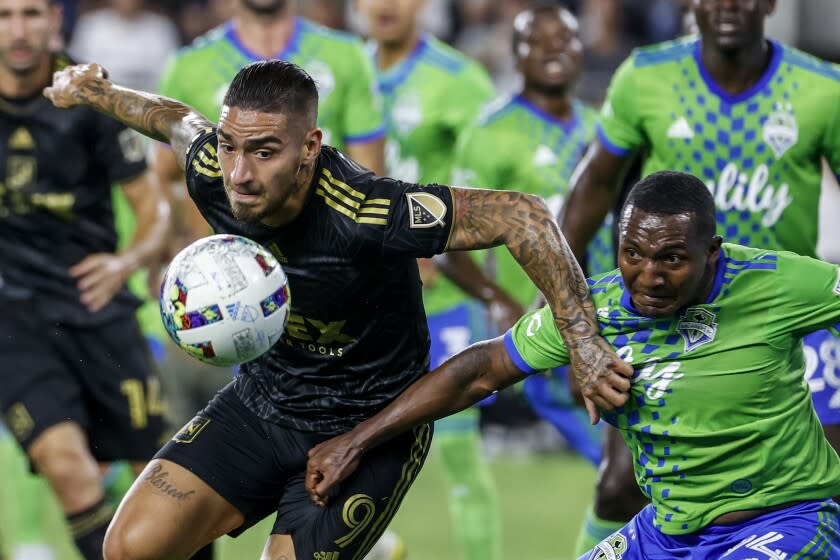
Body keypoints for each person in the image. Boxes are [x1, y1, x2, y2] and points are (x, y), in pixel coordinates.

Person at [44, 59, 631, 560]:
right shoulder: (214, 171)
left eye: (264, 152)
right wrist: (94, 89)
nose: (240, 174)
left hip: (370, 425)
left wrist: (582, 341)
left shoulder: (369, 212)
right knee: (129, 548)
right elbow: (174, 118)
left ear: (310, 148)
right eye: (230, 146)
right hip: (263, 403)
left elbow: (524, 216)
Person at [306, 170, 840, 559]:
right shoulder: (594, 311)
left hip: (787, 522)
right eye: (633, 253)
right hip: (668, 534)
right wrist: (357, 438)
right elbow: (481, 370)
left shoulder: (777, 283)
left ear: (713, 251)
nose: (649, 275)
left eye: (672, 259)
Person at [557, 0, 840, 552]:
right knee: (618, 489)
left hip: (787, 315)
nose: (728, 4)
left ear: (770, 4)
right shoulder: (647, 77)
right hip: (668, 319)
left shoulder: (824, 89)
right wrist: (575, 327)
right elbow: (590, 191)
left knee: (818, 484)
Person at [0, 1, 169, 559]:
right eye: (4, 15)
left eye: (31, 14)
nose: (19, 30)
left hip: (96, 305)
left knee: (164, 485)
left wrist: (126, 262)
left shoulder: (90, 96)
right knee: (68, 471)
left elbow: (153, 210)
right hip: (15, 320)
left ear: (56, 20)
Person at [355, 1, 507, 558]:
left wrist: (439, 248)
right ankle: (375, 547)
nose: (385, 5)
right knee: (335, 438)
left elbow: (485, 182)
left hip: (438, 297)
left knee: (459, 451)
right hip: (358, 295)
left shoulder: (457, 80)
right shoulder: (344, 71)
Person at [452, 1, 614, 468]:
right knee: (622, 470)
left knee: (626, 473)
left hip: (611, 316)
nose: (553, 50)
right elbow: (450, 245)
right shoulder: (490, 132)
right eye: (537, 41)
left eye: (564, 38)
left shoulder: (599, 128)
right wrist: (497, 298)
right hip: (544, 326)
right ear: (516, 55)